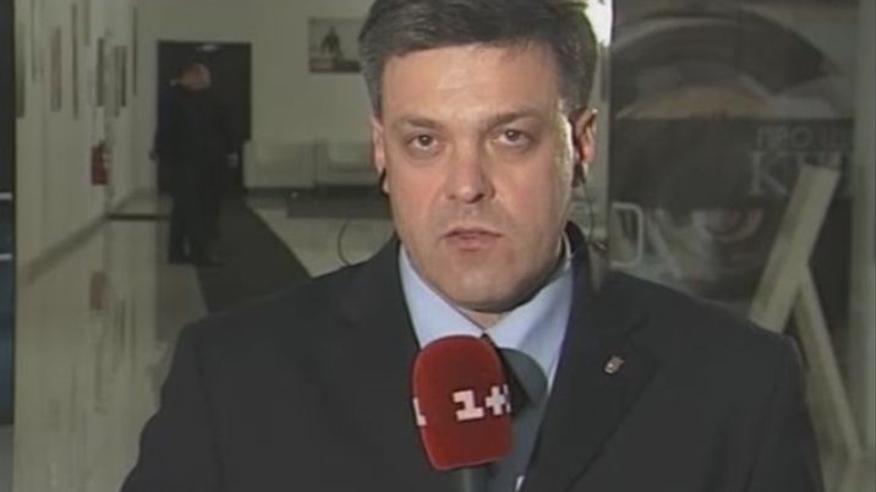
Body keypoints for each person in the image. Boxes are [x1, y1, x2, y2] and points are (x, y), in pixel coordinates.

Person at [122, 1, 823, 490]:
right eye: (425, 141)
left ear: (580, 145)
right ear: (382, 151)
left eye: (510, 137)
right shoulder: (234, 378)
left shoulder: (738, 386)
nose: (466, 186)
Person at [154, 62, 232, 266]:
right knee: (195, 209)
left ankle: (177, 251)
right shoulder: (179, 100)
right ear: (192, 77)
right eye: (203, 80)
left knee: (183, 209)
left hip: (190, 162)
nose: (206, 85)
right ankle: (199, 253)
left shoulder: (180, 99)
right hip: (187, 162)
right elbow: (172, 132)